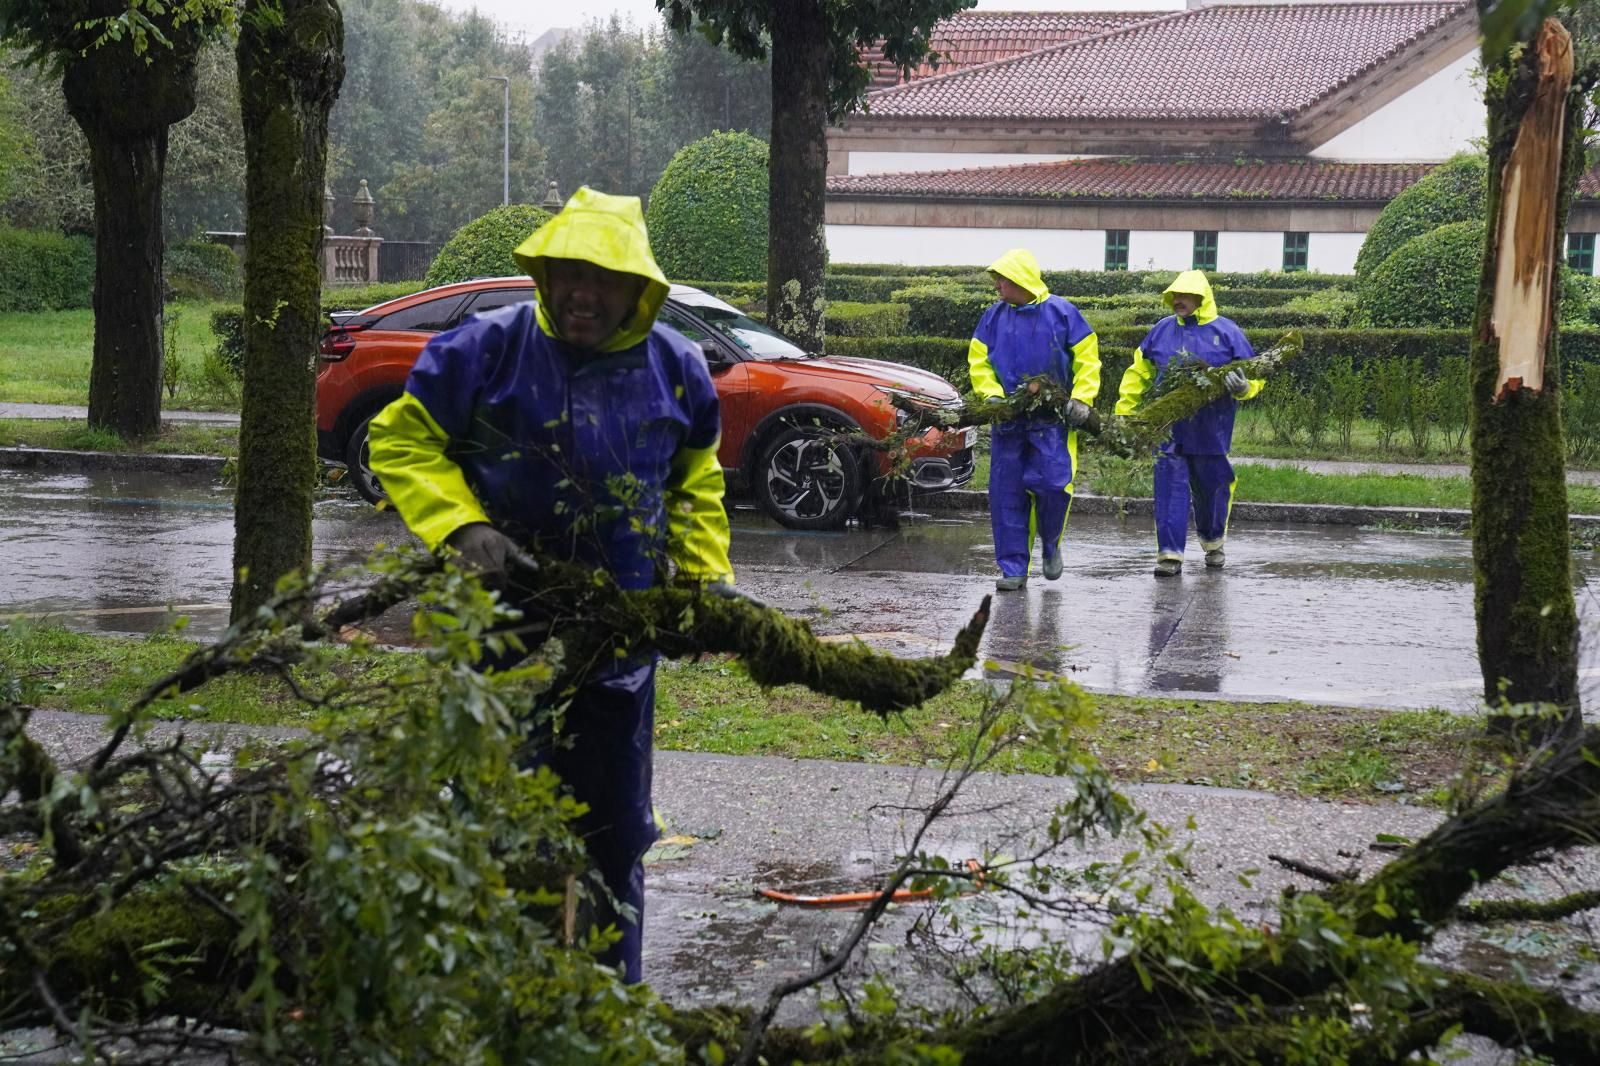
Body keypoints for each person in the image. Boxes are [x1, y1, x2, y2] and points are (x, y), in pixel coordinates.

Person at [366, 185, 736, 984]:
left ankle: (610, 995)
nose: (584, 294)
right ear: (546, 274)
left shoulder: (673, 367)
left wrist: (700, 580)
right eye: (570, 273)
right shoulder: (484, 351)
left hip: (618, 642)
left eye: (604, 279)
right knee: (491, 814)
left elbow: (696, 479)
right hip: (498, 629)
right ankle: (490, 993)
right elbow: (402, 441)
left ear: (639, 289)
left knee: (612, 829)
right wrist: (463, 526)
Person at [967, 248, 1101, 591]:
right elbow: (979, 361)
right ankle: (1013, 568)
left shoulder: (1062, 313)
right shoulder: (993, 317)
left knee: (1055, 485)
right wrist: (992, 396)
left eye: (1003, 280)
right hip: (1009, 422)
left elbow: (1087, 358)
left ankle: (1051, 542)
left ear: (1020, 280)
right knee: (1006, 494)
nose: (997, 286)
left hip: (1053, 421)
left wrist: (1082, 399)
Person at [1116, 269, 1261, 577]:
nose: (1177, 301)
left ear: (1201, 298)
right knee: (1169, 486)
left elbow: (1256, 373)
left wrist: (1244, 388)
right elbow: (1138, 372)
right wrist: (1126, 410)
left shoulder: (1228, 332)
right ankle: (1169, 555)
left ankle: (1213, 542)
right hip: (1168, 429)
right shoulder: (1162, 331)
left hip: (1211, 428)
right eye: (1173, 296)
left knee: (1213, 487)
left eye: (1183, 296)